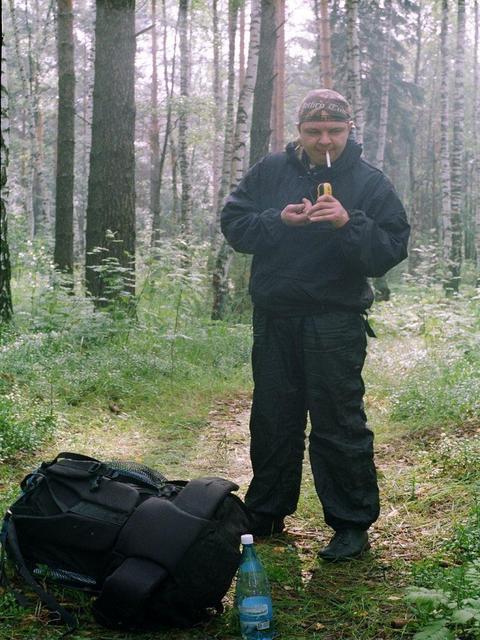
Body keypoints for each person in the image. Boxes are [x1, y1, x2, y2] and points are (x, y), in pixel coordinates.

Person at [221, 89, 410, 561]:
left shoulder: (369, 182)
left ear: (349, 129)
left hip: (335, 319)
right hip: (277, 317)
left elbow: (390, 250)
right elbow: (235, 225)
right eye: (313, 132)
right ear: (299, 132)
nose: (324, 140)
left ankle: (350, 523)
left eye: (334, 131)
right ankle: (265, 511)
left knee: (339, 422)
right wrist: (278, 220)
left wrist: (348, 223)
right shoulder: (270, 172)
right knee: (273, 417)